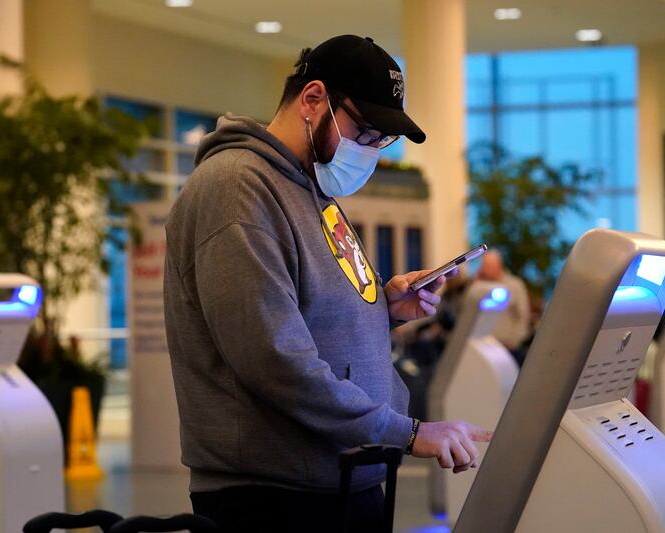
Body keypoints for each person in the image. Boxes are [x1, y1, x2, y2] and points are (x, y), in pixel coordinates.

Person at [162, 35, 491, 532]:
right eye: (364, 131)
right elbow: (275, 358)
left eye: (383, 140)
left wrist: (383, 306)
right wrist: (406, 432)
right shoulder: (236, 189)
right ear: (313, 99)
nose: (371, 151)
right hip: (273, 497)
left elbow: (306, 315)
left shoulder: (309, 187)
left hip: (340, 477)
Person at [476, 249, 531, 363]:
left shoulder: (514, 285)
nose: (483, 269)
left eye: (486, 265)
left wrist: (515, 340)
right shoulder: (481, 286)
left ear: (497, 265)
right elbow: (466, 308)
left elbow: (523, 315)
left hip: (508, 348)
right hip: (485, 348)